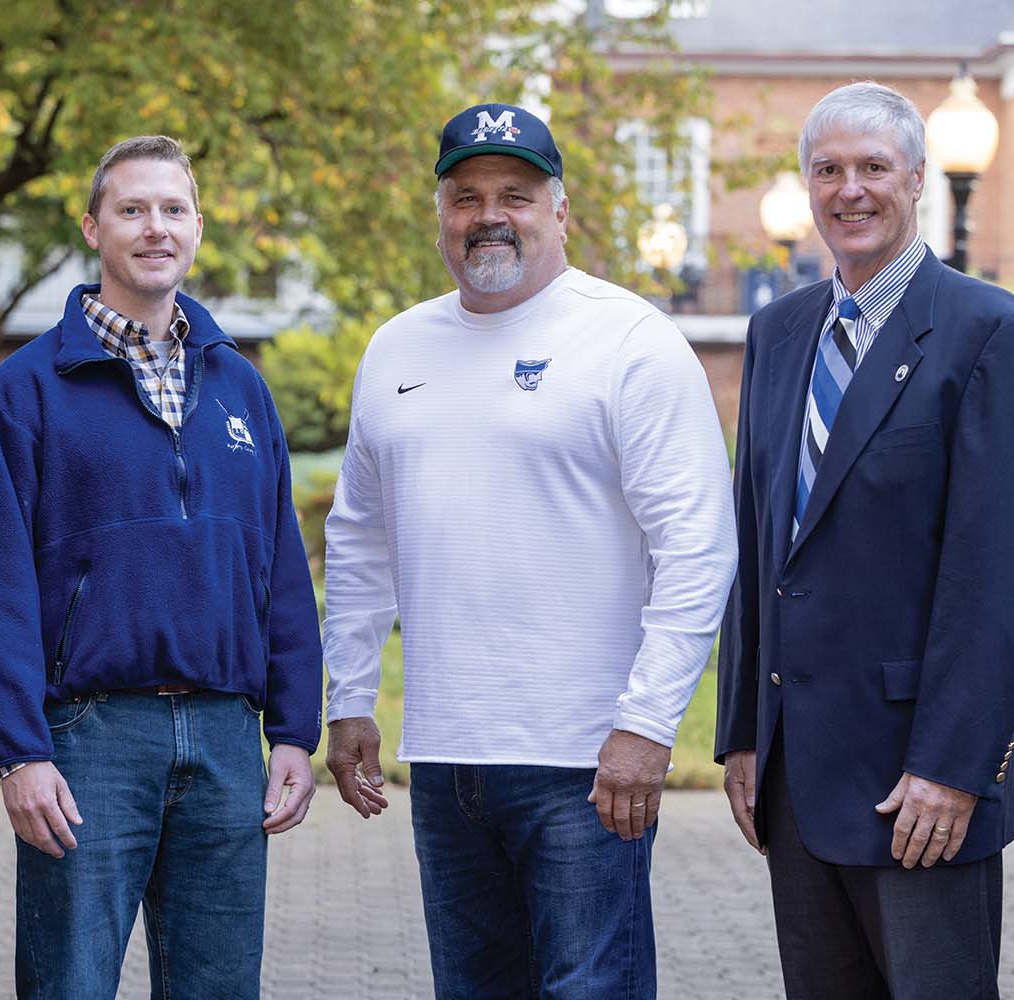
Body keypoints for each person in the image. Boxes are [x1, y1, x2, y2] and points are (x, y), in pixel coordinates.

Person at [323, 103, 737, 998]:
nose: (488, 214)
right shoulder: (396, 347)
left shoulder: (630, 342)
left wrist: (647, 724)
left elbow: (698, 549)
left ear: (560, 209)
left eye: (515, 192)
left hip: (587, 763)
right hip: (444, 759)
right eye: (465, 195)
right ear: (440, 212)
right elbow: (359, 537)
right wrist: (350, 693)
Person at [0, 134, 323, 999]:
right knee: (69, 984)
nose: (154, 227)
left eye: (172, 209)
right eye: (131, 209)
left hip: (229, 741)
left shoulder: (240, 388)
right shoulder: (25, 392)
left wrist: (295, 731)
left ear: (197, 228)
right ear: (93, 226)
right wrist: (17, 753)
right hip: (88, 741)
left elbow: (279, 570)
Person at [716, 81, 1014, 1000]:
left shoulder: (991, 333)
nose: (850, 190)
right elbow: (760, 546)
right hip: (795, 785)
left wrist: (953, 768)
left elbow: (1003, 577)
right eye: (827, 170)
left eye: (874, 167)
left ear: (917, 180)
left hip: (918, 790)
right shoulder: (779, 333)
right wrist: (743, 734)